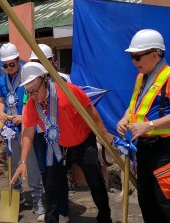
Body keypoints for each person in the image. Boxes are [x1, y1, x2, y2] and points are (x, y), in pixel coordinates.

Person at [12, 62, 113, 223]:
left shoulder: (68, 91)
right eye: (29, 92)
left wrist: (104, 134)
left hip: (83, 142)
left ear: (45, 81)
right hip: (58, 146)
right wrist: (22, 161)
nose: (33, 95)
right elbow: (28, 133)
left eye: (35, 90)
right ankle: (51, 219)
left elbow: (90, 110)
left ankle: (104, 216)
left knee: (95, 181)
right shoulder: (32, 105)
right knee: (52, 186)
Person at [116, 29, 170, 223]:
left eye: (137, 56)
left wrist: (148, 126)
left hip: (166, 150)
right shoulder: (141, 78)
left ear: (154, 53)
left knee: (169, 206)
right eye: (132, 57)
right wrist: (125, 118)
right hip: (145, 149)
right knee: (147, 203)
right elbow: (135, 105)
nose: (134, 61)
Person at [0, 43, 45, 216]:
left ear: (18, 60)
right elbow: (0, 100)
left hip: (27, 126)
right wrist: (1, 112)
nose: (9, 68)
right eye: (5, 65)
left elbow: (32, 98)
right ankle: (16, 194)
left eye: (12, 64)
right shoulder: (1, 80)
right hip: (10, 129)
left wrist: (23, 117)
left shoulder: (27, 74)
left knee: (30, 162)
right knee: (13, 161)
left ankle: (37, 195)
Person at [26, 44, 70, 222]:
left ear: (52, 61)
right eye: (35, 61)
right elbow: (27, 108)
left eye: (42, 60)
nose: (39, 64)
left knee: (59, 174)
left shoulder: (63, 79)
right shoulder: (29, 81)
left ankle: (63, 211)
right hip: (38, 133)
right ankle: (51, 208)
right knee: (45, 173)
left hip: (58, 135)